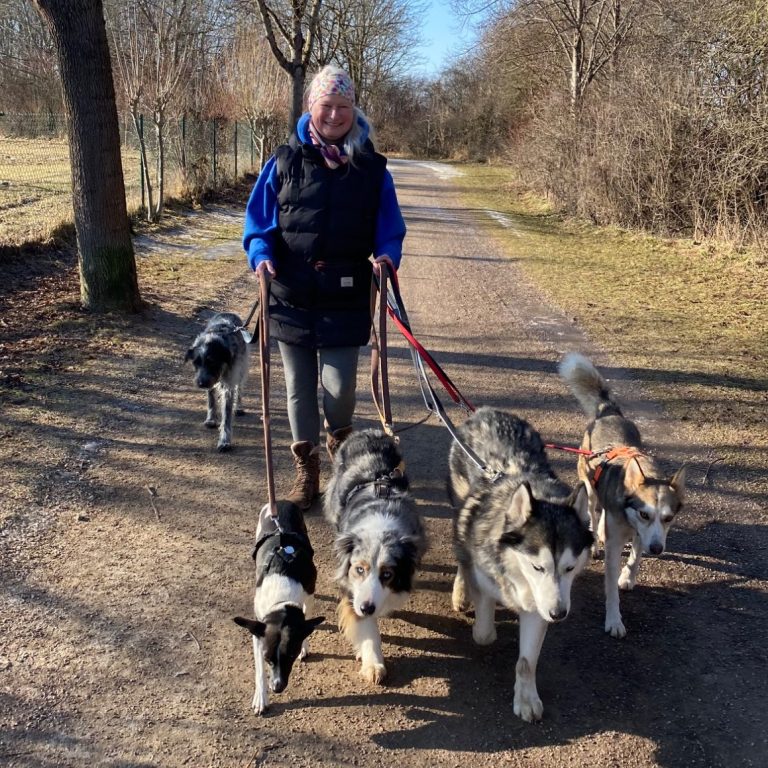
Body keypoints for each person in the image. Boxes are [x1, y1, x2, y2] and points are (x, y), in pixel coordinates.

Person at [242, 65, 407, 510]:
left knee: (340, 390)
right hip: (290, 291)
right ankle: (307, 468)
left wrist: (388, 255)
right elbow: (259, 225)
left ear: (354, 111)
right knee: (298, 388)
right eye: (326, 106)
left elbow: (389, 229)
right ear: (310, 108)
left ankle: (341, 450)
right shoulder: (283, 161)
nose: (334, 115)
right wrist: (260, 256)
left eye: (343, 107)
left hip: (345, 293)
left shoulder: (372, 169)